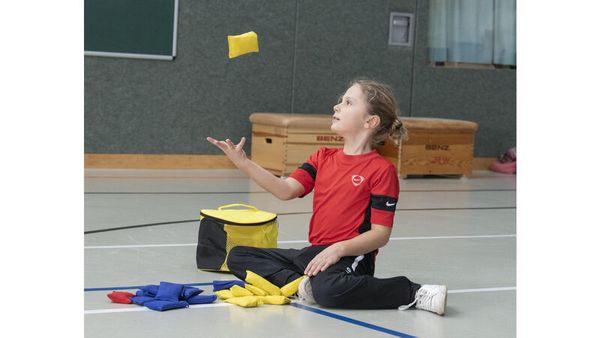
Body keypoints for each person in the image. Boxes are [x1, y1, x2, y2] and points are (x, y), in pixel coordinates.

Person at [206, 79, 447, 315]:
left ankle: (412, 292)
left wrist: (338, 250)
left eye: (348, 102)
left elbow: (380, 235)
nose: (337, 106)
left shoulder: (381, 170)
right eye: (340, 101)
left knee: (330, 292)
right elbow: (285, 190)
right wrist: (244, 163)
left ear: (370, 121)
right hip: (315, 253)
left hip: (351, 256)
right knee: (238, 256)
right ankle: (303, 286)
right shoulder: (322, 157)